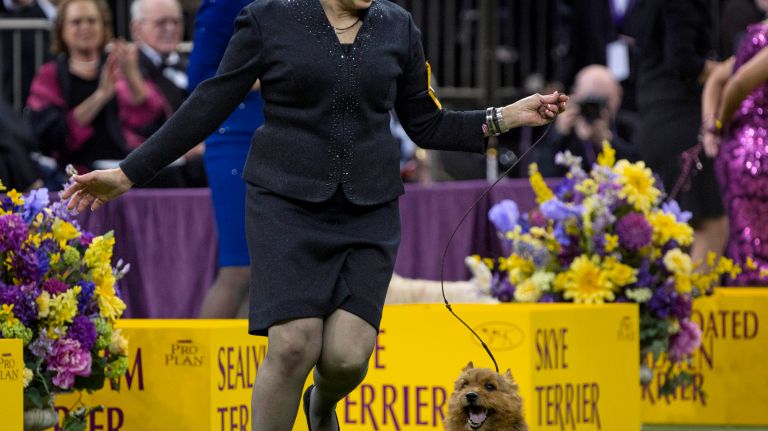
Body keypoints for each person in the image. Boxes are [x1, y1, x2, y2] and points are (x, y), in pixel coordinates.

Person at [62, 0, 568, 429]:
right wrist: (128, 173)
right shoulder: (268, 19)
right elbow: (209, 102)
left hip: (369, 209)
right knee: (292, 345)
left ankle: (320, 404)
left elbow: (427, 124)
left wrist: (505, 116)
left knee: (347, 358)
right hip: (284, 204)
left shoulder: (398, 27)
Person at [25, 0, 168, 187]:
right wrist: (101, 95)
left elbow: (152, 120)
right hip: (71, 174)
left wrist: (132, 75)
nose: (85, 27)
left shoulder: (118, 66)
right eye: (76, 22)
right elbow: (51, 134)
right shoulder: (50, 74)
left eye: (92, 21)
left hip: (121, 170)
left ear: (103, 26)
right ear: (61, 30)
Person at [630, 0, 728, 267]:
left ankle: (673, 304)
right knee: (712, 227)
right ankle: (691, 307)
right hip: (681, 121)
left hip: (654, 118)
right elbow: (682, 62)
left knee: (676, 233)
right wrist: (730, 70)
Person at [186, 0, 265, 318]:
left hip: (277, 137)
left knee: (263, 272)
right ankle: (198, 364)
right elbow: (200, 78)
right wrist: (277, 75)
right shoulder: (223, 4)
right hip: (233, 141)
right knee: (238, 269)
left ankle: (246, 363)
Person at [701, 20, 768, 285]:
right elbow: (738, 83)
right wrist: (717, 125)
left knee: (746, 246)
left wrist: (710, 126)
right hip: (756, 152)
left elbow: (718, 77)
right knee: (754, 253)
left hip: (740, 150)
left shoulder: (757, 34)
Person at [129, 0, 207, 187]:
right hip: (153, 167)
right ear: (137, 28)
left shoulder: (191, 64)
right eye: (161, 22)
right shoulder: (127, 66)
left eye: (176, 22)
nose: (170, 28)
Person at [534, 64, 637, 176]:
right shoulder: (563, 126)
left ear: (618, 96)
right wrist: (559, 135)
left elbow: (642, 166)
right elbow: (542, 173)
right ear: (574, 95)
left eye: (603, 101)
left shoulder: (628, 126)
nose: (593, 109)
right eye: (588, 101)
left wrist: (610, 142)